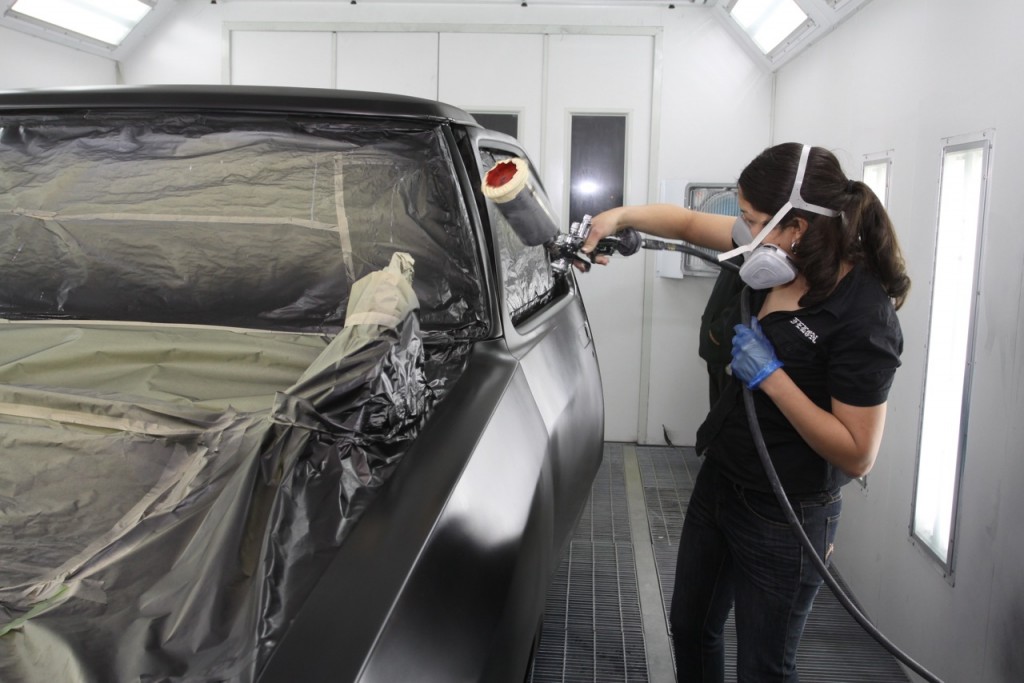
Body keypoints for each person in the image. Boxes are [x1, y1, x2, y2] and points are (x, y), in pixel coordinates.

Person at [582, 142, 910, 682]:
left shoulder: (862, 315)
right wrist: (617, 217)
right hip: (722, 481)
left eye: (753, 220)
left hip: (786, 512)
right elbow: (688, 223)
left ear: (797, 226)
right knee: (691, 628)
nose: (744, 232)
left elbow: (857, 454)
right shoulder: (778, 255)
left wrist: (772, 378)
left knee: (763, 667)